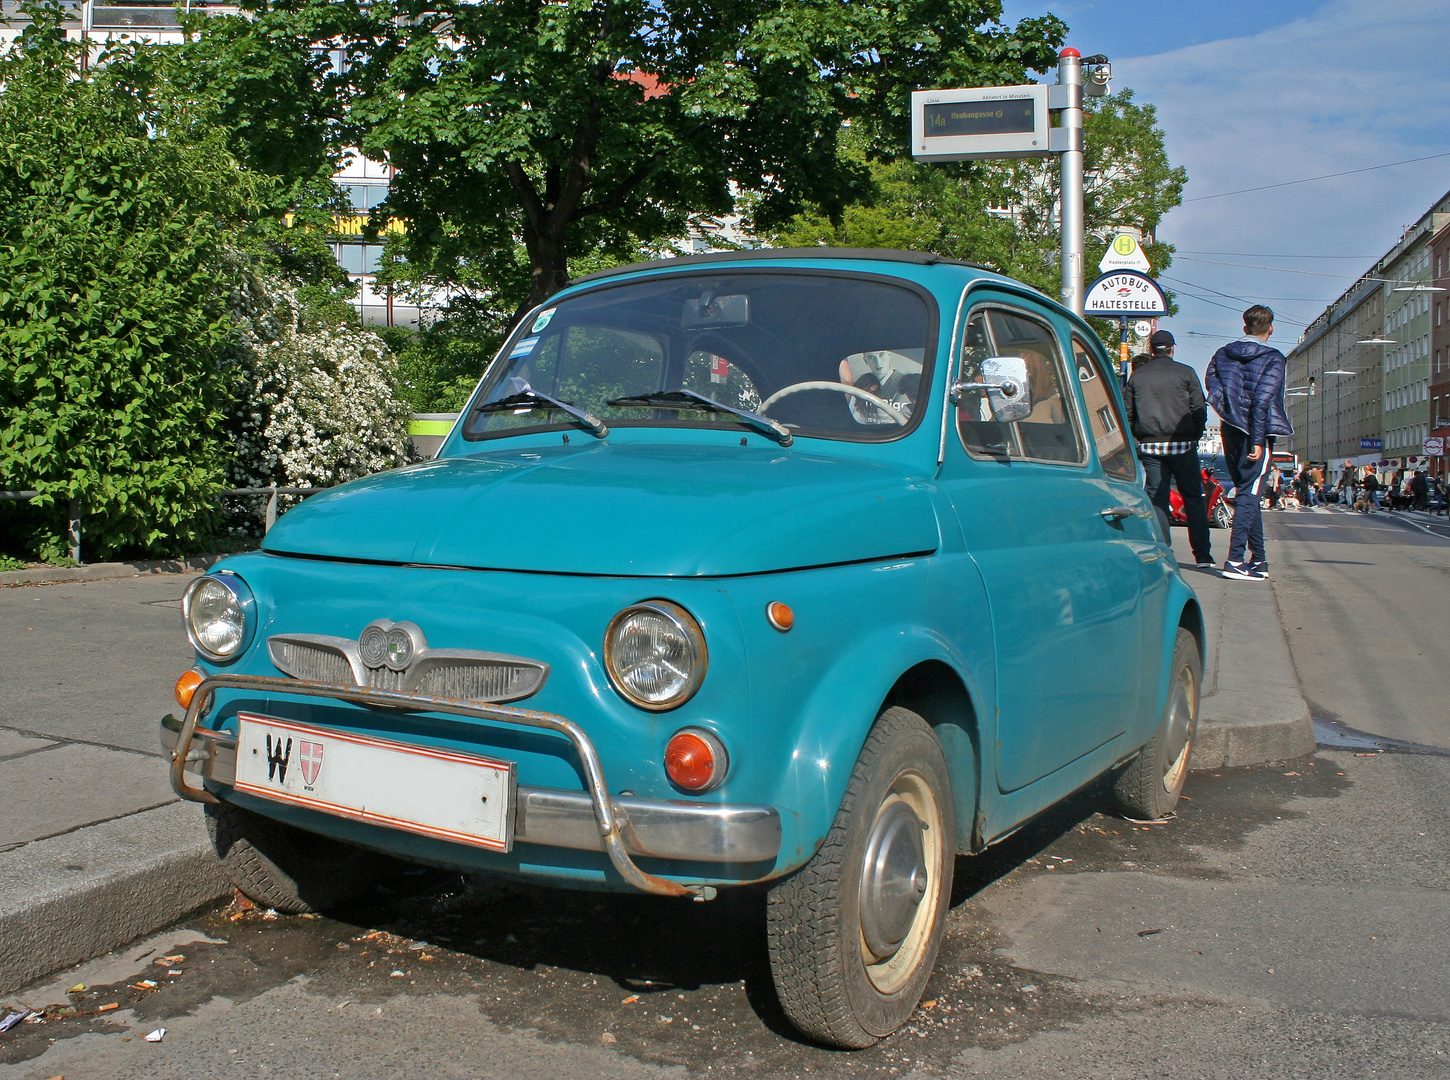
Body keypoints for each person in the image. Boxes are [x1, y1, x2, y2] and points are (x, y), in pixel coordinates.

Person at [1205, 305, 1292, 581]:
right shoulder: (1273, 358)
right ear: (1271, 328)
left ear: (1245, 327)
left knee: (1248, 492)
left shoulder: (1222, 354)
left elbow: (1213, 387)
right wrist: (1256, 439)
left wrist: (1229, 415)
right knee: (1249, 493)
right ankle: (1234, 560)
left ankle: (1259, 560)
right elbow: (1263, 400)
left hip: (1230, 430)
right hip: (1257, 432)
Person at [1123, 331, 1212, 567]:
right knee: (1193, 497)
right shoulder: (1185, 372)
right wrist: (1195, 434)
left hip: (1150, 445)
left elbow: (1127, 413)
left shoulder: (1138, 376)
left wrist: (1136, 439)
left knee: (1157, 498)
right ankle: (1202, 555)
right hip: (1183, 445)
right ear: (1173, 348)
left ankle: (1163, 551)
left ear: (1152, 349)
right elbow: (1199, 408)